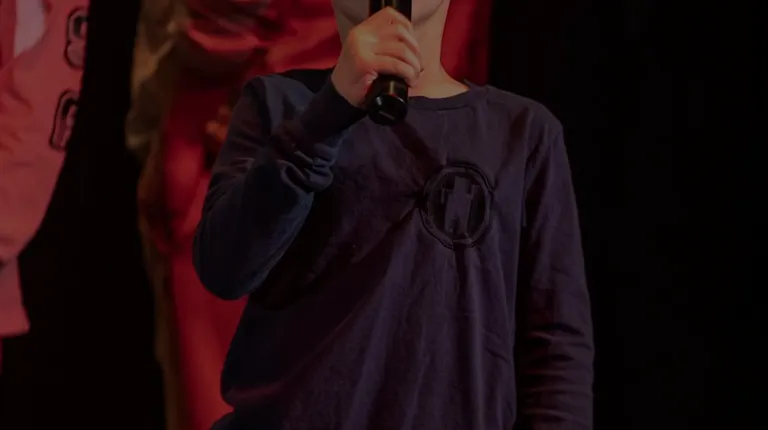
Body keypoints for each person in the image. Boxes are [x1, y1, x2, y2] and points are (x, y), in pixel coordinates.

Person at [193, 0, 594, 428]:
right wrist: (329, 112)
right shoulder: (280, 104)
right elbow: (225, 267)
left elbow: (555, 342)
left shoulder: (522, 132)